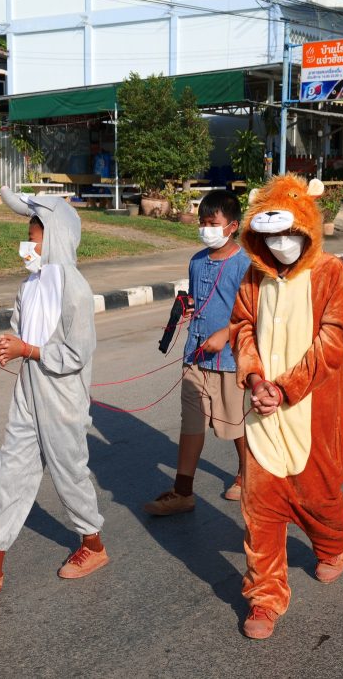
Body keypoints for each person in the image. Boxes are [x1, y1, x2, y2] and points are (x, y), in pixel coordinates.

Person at [0, 191, 106, 596]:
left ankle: (93, 544)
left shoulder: (74, 288)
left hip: (62, 395)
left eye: (33, 237)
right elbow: (21, 331)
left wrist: (28, 350)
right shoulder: (30, 285)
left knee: (68, 471)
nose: (27, 245)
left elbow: (76, 353)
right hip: (28, 389)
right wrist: (10, 348)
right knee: (11, 472)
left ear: (54, 238)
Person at [230, 174, 343, 640]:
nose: (280, 244)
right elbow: (243, 326)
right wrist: (256, 377)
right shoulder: (254, 275)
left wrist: (286, 389)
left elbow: (334, 341)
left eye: (289, 234)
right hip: (262, 411)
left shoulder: (330, 273)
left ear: (307, 229)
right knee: (260, 509)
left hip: (311, 413)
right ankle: (264, 596)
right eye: (271, 236)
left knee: (319, 501)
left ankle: (333, 543)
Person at [143, 190, 252, 516]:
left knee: (234, 424)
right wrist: (189, 307)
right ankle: (183, 491)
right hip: (195, 356)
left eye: (213, 223)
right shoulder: (196, 261)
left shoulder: (245, 265)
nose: (206, 229)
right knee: (191, 423)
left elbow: (254, 315)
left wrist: (226, 334)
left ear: (232, 226)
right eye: (203, 223)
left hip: (230, 361)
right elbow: (200, 299)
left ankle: (249, 475)